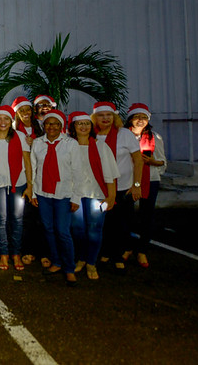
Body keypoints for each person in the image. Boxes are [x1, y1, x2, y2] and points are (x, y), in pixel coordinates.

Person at [92, 102, 144, 274]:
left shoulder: (124, 135)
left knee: (122, 223)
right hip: (100, 188)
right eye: (101, 115)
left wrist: (137, 185)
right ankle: (105, 252)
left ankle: (118, 255)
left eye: (108, 115)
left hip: (124, 187)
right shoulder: (92, 136)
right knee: (105, 222)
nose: (105, 118)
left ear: (114, 117)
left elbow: (138, 160)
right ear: (95, 118)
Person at [30, 110, 79, 286]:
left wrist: (76, 197)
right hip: (43, 193)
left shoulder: (71, 144)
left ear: (61, 126)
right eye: (48, 124)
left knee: (63, 231)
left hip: (63, 193)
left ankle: (69, 267)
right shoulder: (37, 143)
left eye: (56, 124)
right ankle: (56, 261)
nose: (51, 127)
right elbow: (33, 169)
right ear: (44, 126)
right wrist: (34, 192)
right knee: (48, 228)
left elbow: (77, 172)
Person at [67, 112, 118, 280]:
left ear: (91, 126)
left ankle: (91, 262)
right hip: (76, 195)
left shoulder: (101, 147)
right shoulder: (68, 146)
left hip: (97, 195)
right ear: (73, 127)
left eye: (86, 123)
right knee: (78, 229)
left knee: (95, 230)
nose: (83, 127)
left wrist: (111, 197)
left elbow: (110, 175)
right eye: (79, 124)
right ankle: (81, 258)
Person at [0, 105, 33, 271]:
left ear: (11, 121)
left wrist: (30, 185)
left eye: (6, 119)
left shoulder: (20, 136)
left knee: (17, 219)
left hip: (18, 184)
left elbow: (27, 162)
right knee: (1, 219)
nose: (3, 122)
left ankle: (16, 253)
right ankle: (4, 253)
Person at [124, 103, 167, 268]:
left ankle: (141, 250)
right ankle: (127, 247)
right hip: (128, 179)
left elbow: (162, 161)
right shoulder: (124, 136)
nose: (140, 120)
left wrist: (151, 162)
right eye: (137, 117)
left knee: (146, 215)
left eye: (143, 117)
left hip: (150, 179)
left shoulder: (154, 137)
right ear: (130, 119)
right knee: (127, 215)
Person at [12, 96, 47, 268]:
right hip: (23, 178)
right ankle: (27, 250)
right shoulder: (12, 129)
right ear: (17, 113)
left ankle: (43, 251)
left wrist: (36, 144)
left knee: (42, 216)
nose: (25, 113)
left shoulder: (41, 128)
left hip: (42, 177)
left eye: (28, 110)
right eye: (21, 110)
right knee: (25, 217)